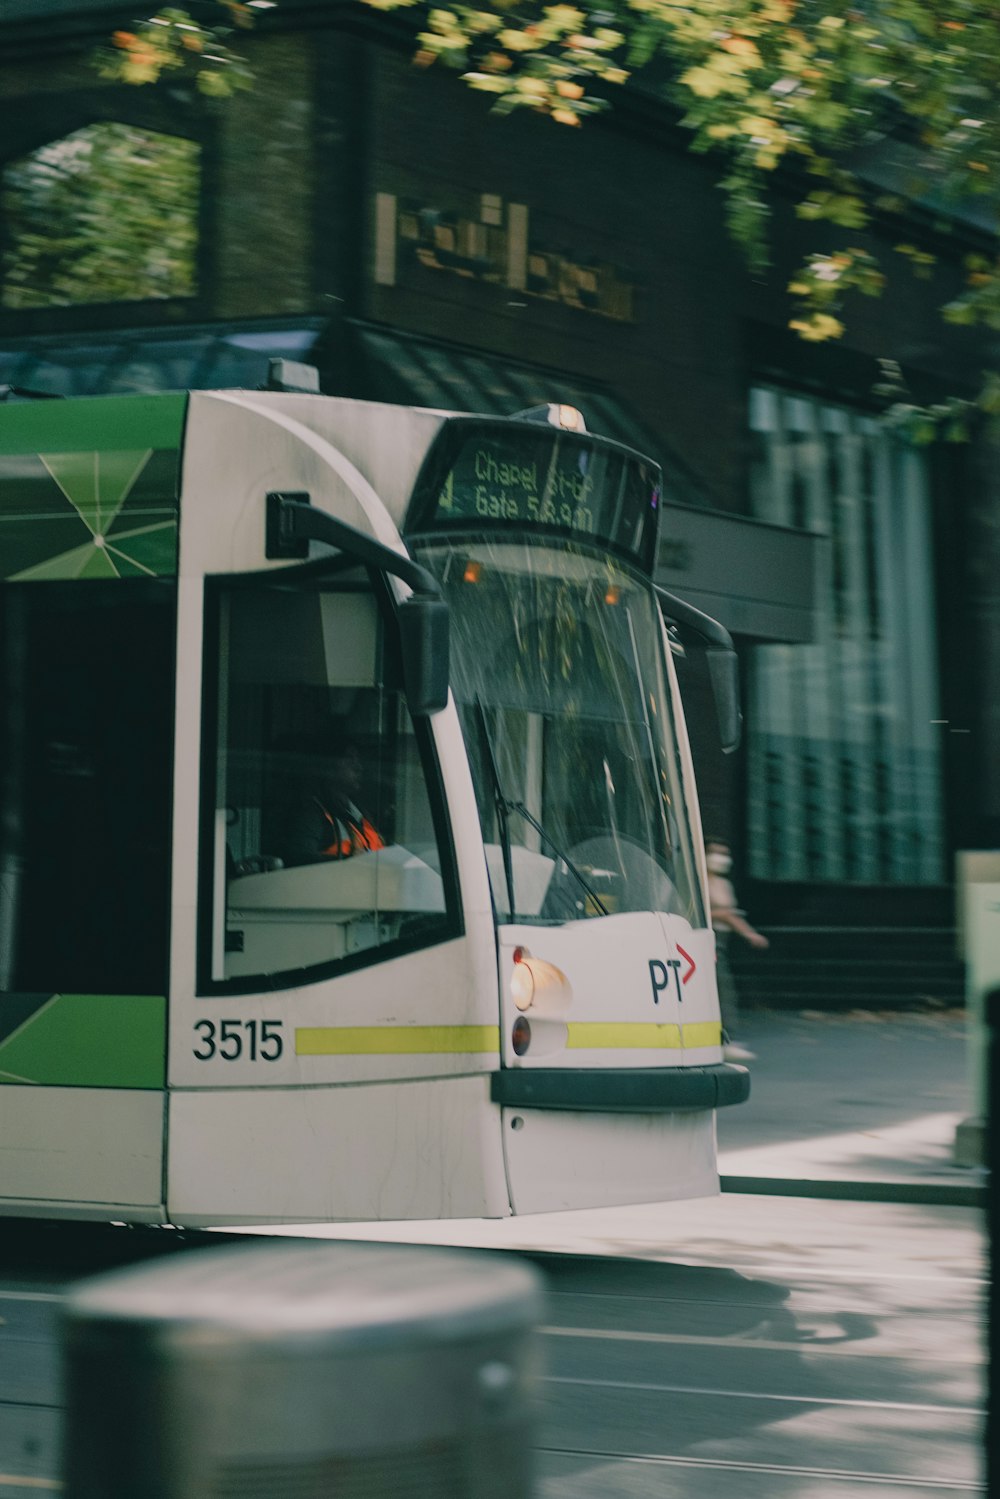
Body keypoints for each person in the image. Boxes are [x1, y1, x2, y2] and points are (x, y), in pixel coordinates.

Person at [280, 733, 386, 867]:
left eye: (358, 759)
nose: (359, 767)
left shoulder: (359, 811)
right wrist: (348, 861)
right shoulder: (310, 812)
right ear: (328, 766)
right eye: (349, 759)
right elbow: (299, 860)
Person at [706, 839, 768, 1062]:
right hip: (708, 939)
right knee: (722, 989)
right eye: (716, 853)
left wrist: (747, 932)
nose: (721, 858)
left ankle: (724, 1037)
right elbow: (719, 914)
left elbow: (730, 915)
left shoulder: (723, 884)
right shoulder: (701, 882)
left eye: (725, 853)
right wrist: (725, 916)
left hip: (722, 939)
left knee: (723, 988)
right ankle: (724, 1039)